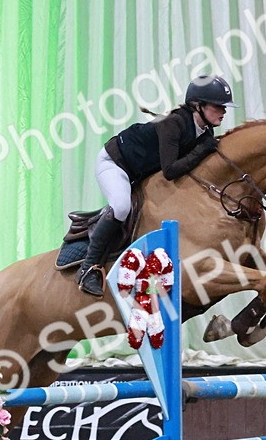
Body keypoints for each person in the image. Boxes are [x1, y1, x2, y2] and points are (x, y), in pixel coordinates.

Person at [76, 74, 238, 296]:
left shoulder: (204, 130)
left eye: (224, 107)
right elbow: (170, 171)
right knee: (121, 206)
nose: (224, 111)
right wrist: (203, 150)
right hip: (115, 164)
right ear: (198, 105)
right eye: (218, 106)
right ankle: (88, 269)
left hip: (140, 172)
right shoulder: (174, 124)